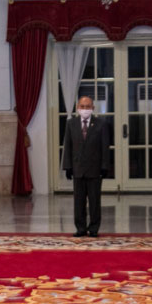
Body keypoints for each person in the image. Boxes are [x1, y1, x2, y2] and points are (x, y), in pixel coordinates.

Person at [62, 96, 112, 237]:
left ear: (93, 108)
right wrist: (68, 167)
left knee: (95, 201)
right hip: (78, 169)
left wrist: (105, 167)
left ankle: (94, 228)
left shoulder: (101, 124)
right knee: (79, 201)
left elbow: (105, 147)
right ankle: (80, 228)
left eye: (88, 106)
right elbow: (68, 146)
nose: (85, 109)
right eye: (82, 106)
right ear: (78, 107)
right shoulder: (71, 124)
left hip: (95, 170)